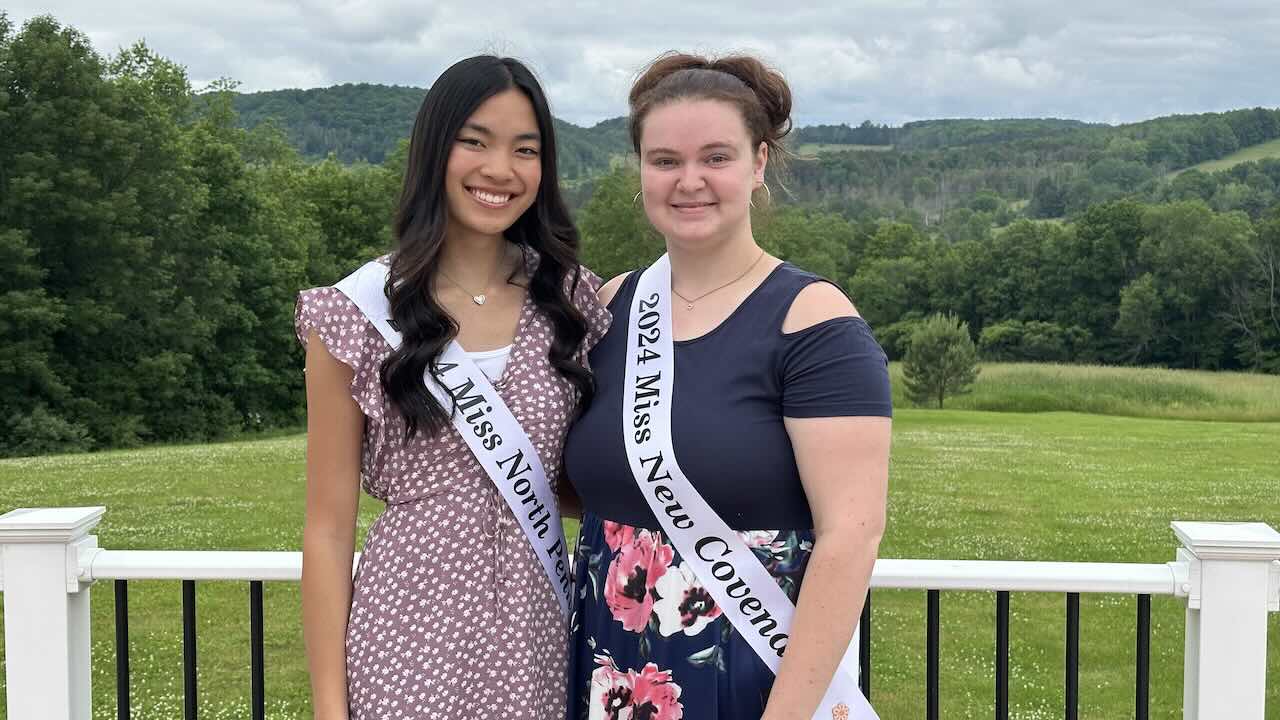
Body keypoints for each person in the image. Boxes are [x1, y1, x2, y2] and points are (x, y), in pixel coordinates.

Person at [563, 52, 892, 720]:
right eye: (665, 161)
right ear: (641, 171)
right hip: (610, 666)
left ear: (759, 163)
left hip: (756, 677)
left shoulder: (814, 322)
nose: (690, 181)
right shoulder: (611, 305)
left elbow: (850, 538)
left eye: (716, 157)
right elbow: (587, 483)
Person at [296, 55, 610, 720]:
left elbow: (596, 476)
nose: (500, 170)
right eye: (475, 141)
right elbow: (327, 530)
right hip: (406, 634)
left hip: (539, 630)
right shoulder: (356, 312)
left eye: (524, 150)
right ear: (436, 149)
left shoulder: (574, 301)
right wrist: (330, 708)